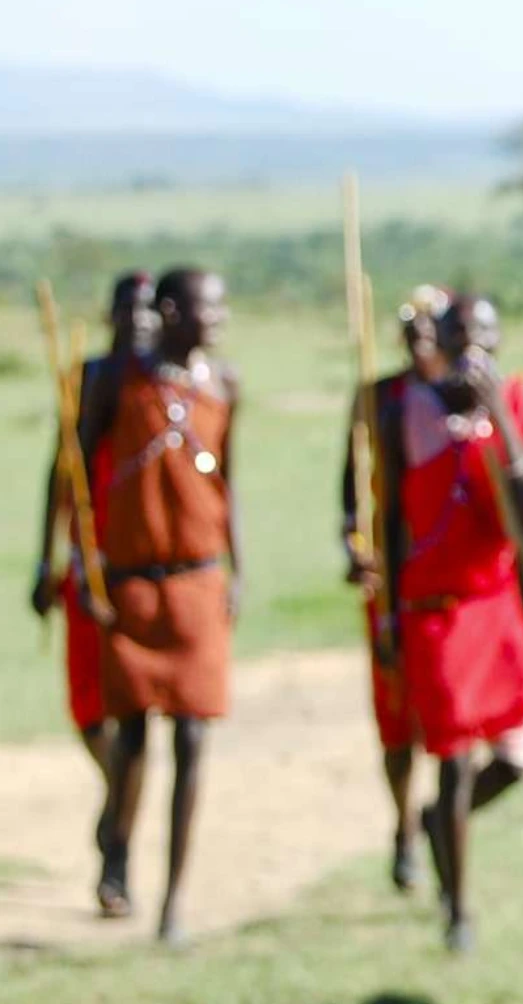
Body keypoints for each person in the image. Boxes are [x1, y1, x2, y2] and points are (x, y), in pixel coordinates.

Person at [78, 266, 239, 944]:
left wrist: (240, 569)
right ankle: (118, 854)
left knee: (195, 737)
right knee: (133, 739)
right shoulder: (115, 380)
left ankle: (175, 900)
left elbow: (232, 481)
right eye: (207, 307)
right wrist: (81, 569)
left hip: (199, 583)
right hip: (131, 585)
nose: (218, 319)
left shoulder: (225, 383)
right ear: (171, 312)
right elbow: (79, 477)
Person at [390, 293, 523, 953]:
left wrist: (496, 420)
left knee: (517, 758)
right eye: (459, 335)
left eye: (483, 333)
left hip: (499, 604)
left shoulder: (517, 399)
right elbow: (392, 516)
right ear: (443, 341)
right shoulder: (408, 408)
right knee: (453, 761)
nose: (471, 347)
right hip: (437, 609)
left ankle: (436, 823)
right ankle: (458, 907)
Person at [30, 272, 155, 815]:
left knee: (134, 706)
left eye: (150, 309)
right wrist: (45, 560)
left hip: (145, 571)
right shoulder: (86, 380)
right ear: (110, 316)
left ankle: (119, 823)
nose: (139, 320)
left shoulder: (164, 389)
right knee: (87, 706)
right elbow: (59, 477)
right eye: (128, 309)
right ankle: (119, 798)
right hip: (89, 569)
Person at [339, 284, 451, 893]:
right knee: (396, 718)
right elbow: (350, 493)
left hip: (446, 584)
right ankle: (405, 823)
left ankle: (439, 823)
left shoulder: (460, 402)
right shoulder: (379, 397)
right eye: (410, 329)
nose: (419, 340)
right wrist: (355, 548)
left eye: (431, 328)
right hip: (392, 582)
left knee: (451, 723)